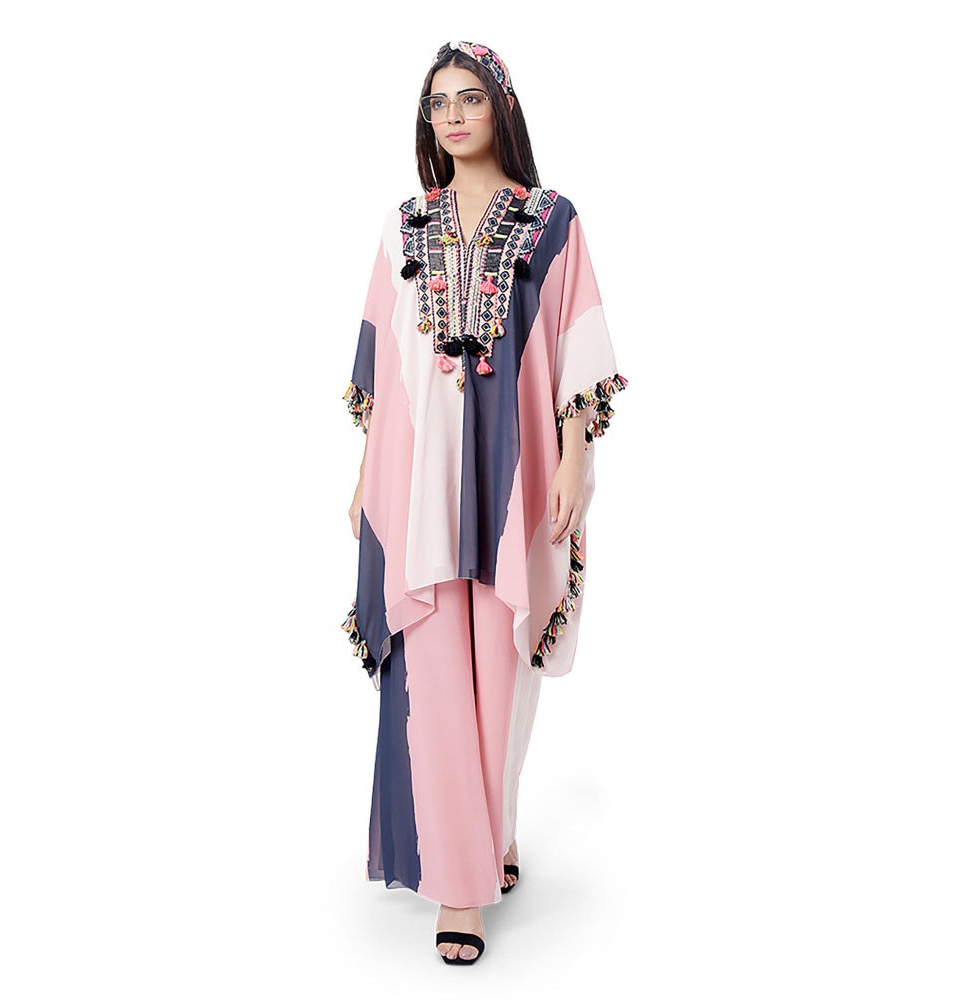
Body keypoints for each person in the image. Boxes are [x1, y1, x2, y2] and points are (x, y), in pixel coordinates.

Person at [340, 40, 629, 965]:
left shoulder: (551, 221)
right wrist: (365, 476)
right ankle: (460, 887)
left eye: (469, 98)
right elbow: (382, 355)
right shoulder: (406, 225)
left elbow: (578, 341)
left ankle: (491, 832)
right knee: (431, 667)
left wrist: (576, 458)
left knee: (504, 665)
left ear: (501, 107)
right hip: (419, 479)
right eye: (438, 103)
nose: (453, 116)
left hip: (516, 471)